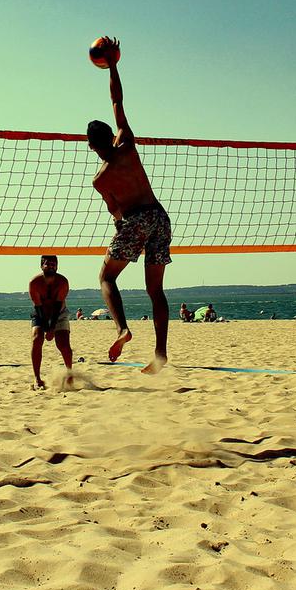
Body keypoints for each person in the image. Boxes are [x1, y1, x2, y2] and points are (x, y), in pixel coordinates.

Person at [86, 37, 171, 374]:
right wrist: (114, 65)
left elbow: (115, 212)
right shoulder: (127, 146)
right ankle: (160, 354)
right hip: (160, 218)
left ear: (91, 146)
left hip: (134, 220)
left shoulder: (101, 179)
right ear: (112, 135)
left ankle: (122, 328)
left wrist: (125, 230)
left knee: (107, 277)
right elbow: (117, 100)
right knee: (156, 290)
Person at [28, 255, 73, 389]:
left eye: (54, 264)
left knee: (63, 344)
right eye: (48, 264)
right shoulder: (34, 283)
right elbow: (38, 306)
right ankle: (37, 378)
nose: (51, 266)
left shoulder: (62, 282)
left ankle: (70, 375)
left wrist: (52, 328)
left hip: (59, 313)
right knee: (37, 338)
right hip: (40, 312)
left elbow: (58, 304)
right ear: (42, 266)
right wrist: (47, 328)